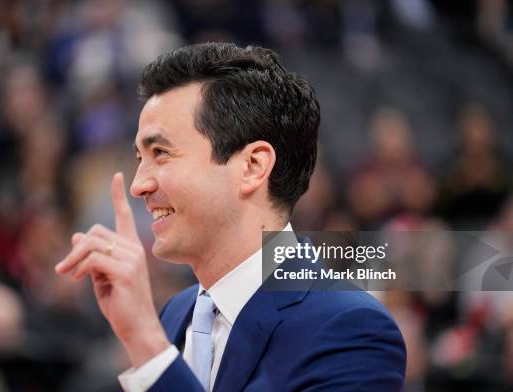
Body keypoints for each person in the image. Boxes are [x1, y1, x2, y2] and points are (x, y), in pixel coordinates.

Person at [55, 42, 406, 391]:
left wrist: (148, 347)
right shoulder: (175, 314)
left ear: (252, 166)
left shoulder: (352, 328)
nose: (139, 185)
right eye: (139, 158)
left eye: (160, 152)